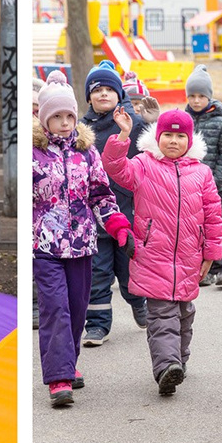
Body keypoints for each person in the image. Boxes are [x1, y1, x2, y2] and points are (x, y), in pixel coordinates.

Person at [101, 106, 222, 396]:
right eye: (167, 134)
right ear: (157, 138)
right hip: (152, 253)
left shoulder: (202, 173)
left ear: (189, 140)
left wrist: (211, 253)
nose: (173, 141)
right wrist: (122, 135)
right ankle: (166, 366)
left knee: (184, 313)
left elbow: (213, 215)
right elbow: (115, 168)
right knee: (161, 314)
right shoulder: (144, 164)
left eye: (180, 136)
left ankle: (178, 362)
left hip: (189, 256)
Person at [32, 78, 124, 408]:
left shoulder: (87, 152)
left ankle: (67, 363)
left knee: (75, 308)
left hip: (82, 243)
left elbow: (100, 193)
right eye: (57, 117)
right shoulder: (34, 155)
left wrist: (115, 222)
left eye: (69, 116)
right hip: (45, 245)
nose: (65, 123)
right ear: (45, 119)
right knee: (55, 307)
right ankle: (58, 378)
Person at [80, 64, 146, 344]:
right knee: (98, 272)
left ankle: (138, 302)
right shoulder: (82, 130)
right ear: (89, 97)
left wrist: (151, 122)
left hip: (127, 211)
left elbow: (152, 156)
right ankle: (97, 325)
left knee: (129, 269)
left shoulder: (133, 123)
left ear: (119, 94)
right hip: (94, 214)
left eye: (109, 89)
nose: (103, 94)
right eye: (97, 90)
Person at [183, 66, 222, 286]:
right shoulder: (183, 121)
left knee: (216, 225)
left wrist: (213, 181)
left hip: (215, 186)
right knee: (193, 227)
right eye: (192, 96)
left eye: (201, 96)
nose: (196, 100)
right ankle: (200, 270)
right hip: (188, 185)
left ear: (209, 96)